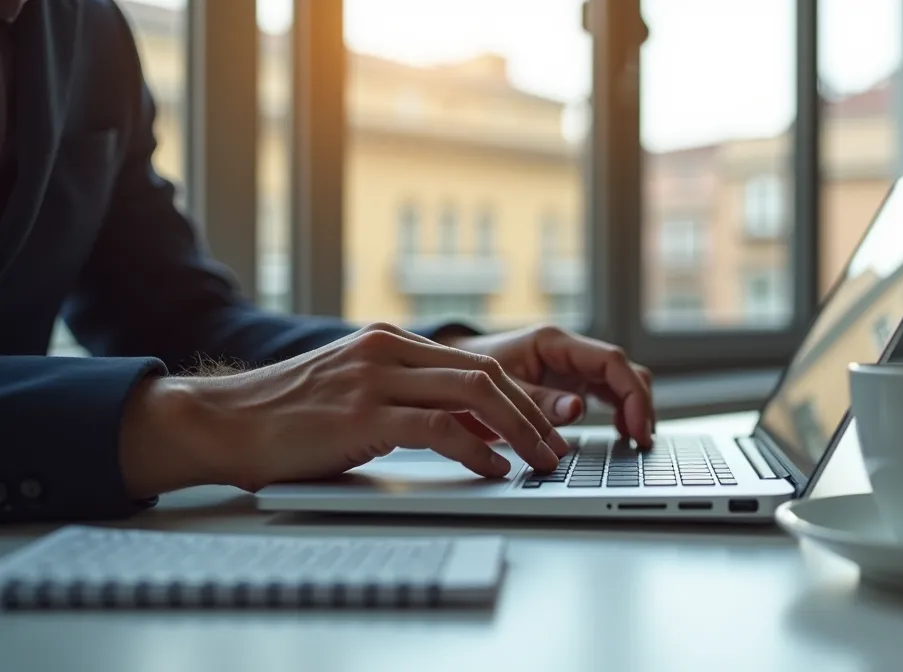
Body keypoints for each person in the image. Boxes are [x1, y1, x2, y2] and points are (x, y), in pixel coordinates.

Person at [0, 0, 655, 523]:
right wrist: (198, 422)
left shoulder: (91, 29)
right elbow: (203, 388)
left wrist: (441, 360)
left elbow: (176, 319)